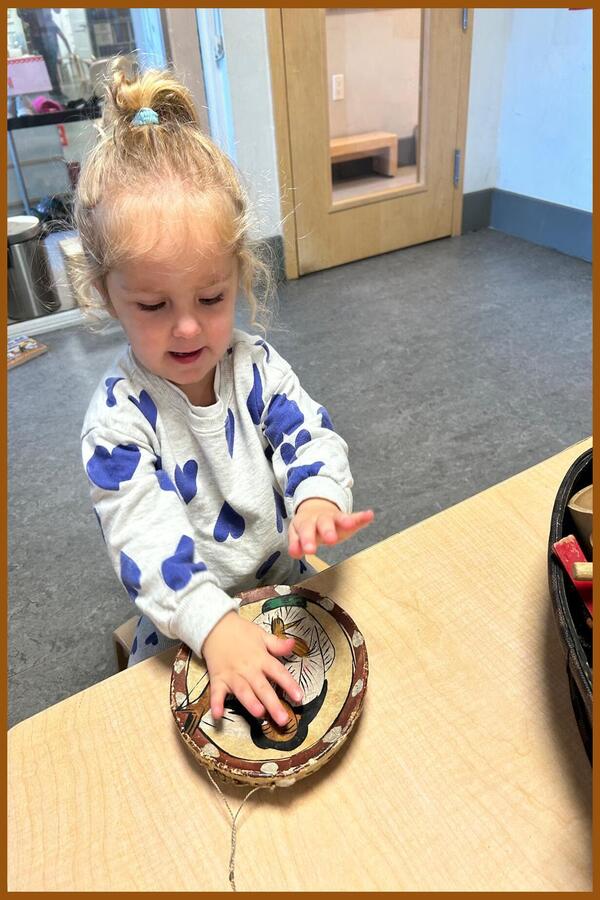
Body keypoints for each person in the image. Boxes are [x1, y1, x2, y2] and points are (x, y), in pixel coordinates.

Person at [76, 63, 374, 730]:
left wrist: (319, 494)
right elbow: (144, 539)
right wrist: (214, 629)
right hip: (188, 624)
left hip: (281, 591)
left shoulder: (255, 364)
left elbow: (309, 436)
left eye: (211, 298)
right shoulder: (117, 423)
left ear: (240, 275)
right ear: (105, 296)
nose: (187, 327)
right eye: (153, 305)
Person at [16, 8, 70, 103]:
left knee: (52, 64)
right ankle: (50, 95)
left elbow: (58, 10)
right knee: (42, 66)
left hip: (49, 30)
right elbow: (21, 13)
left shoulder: (49, 22)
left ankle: (56, 93)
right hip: (36, 32)